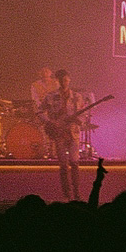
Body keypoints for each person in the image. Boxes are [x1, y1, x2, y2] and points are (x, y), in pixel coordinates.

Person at [40, 69, 86, 199]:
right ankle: (67, 194)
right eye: (61, 80)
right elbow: (39, 111)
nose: (64, 83)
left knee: (75, 162)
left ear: (69, 80)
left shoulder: (77, 96)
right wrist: (50, 122)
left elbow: (83, 113)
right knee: (63, 165)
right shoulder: (51, 96)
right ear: (57, 81)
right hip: (59, 133)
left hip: (73, 133)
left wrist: (79, 121)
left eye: (66, 80)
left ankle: (76, 192)